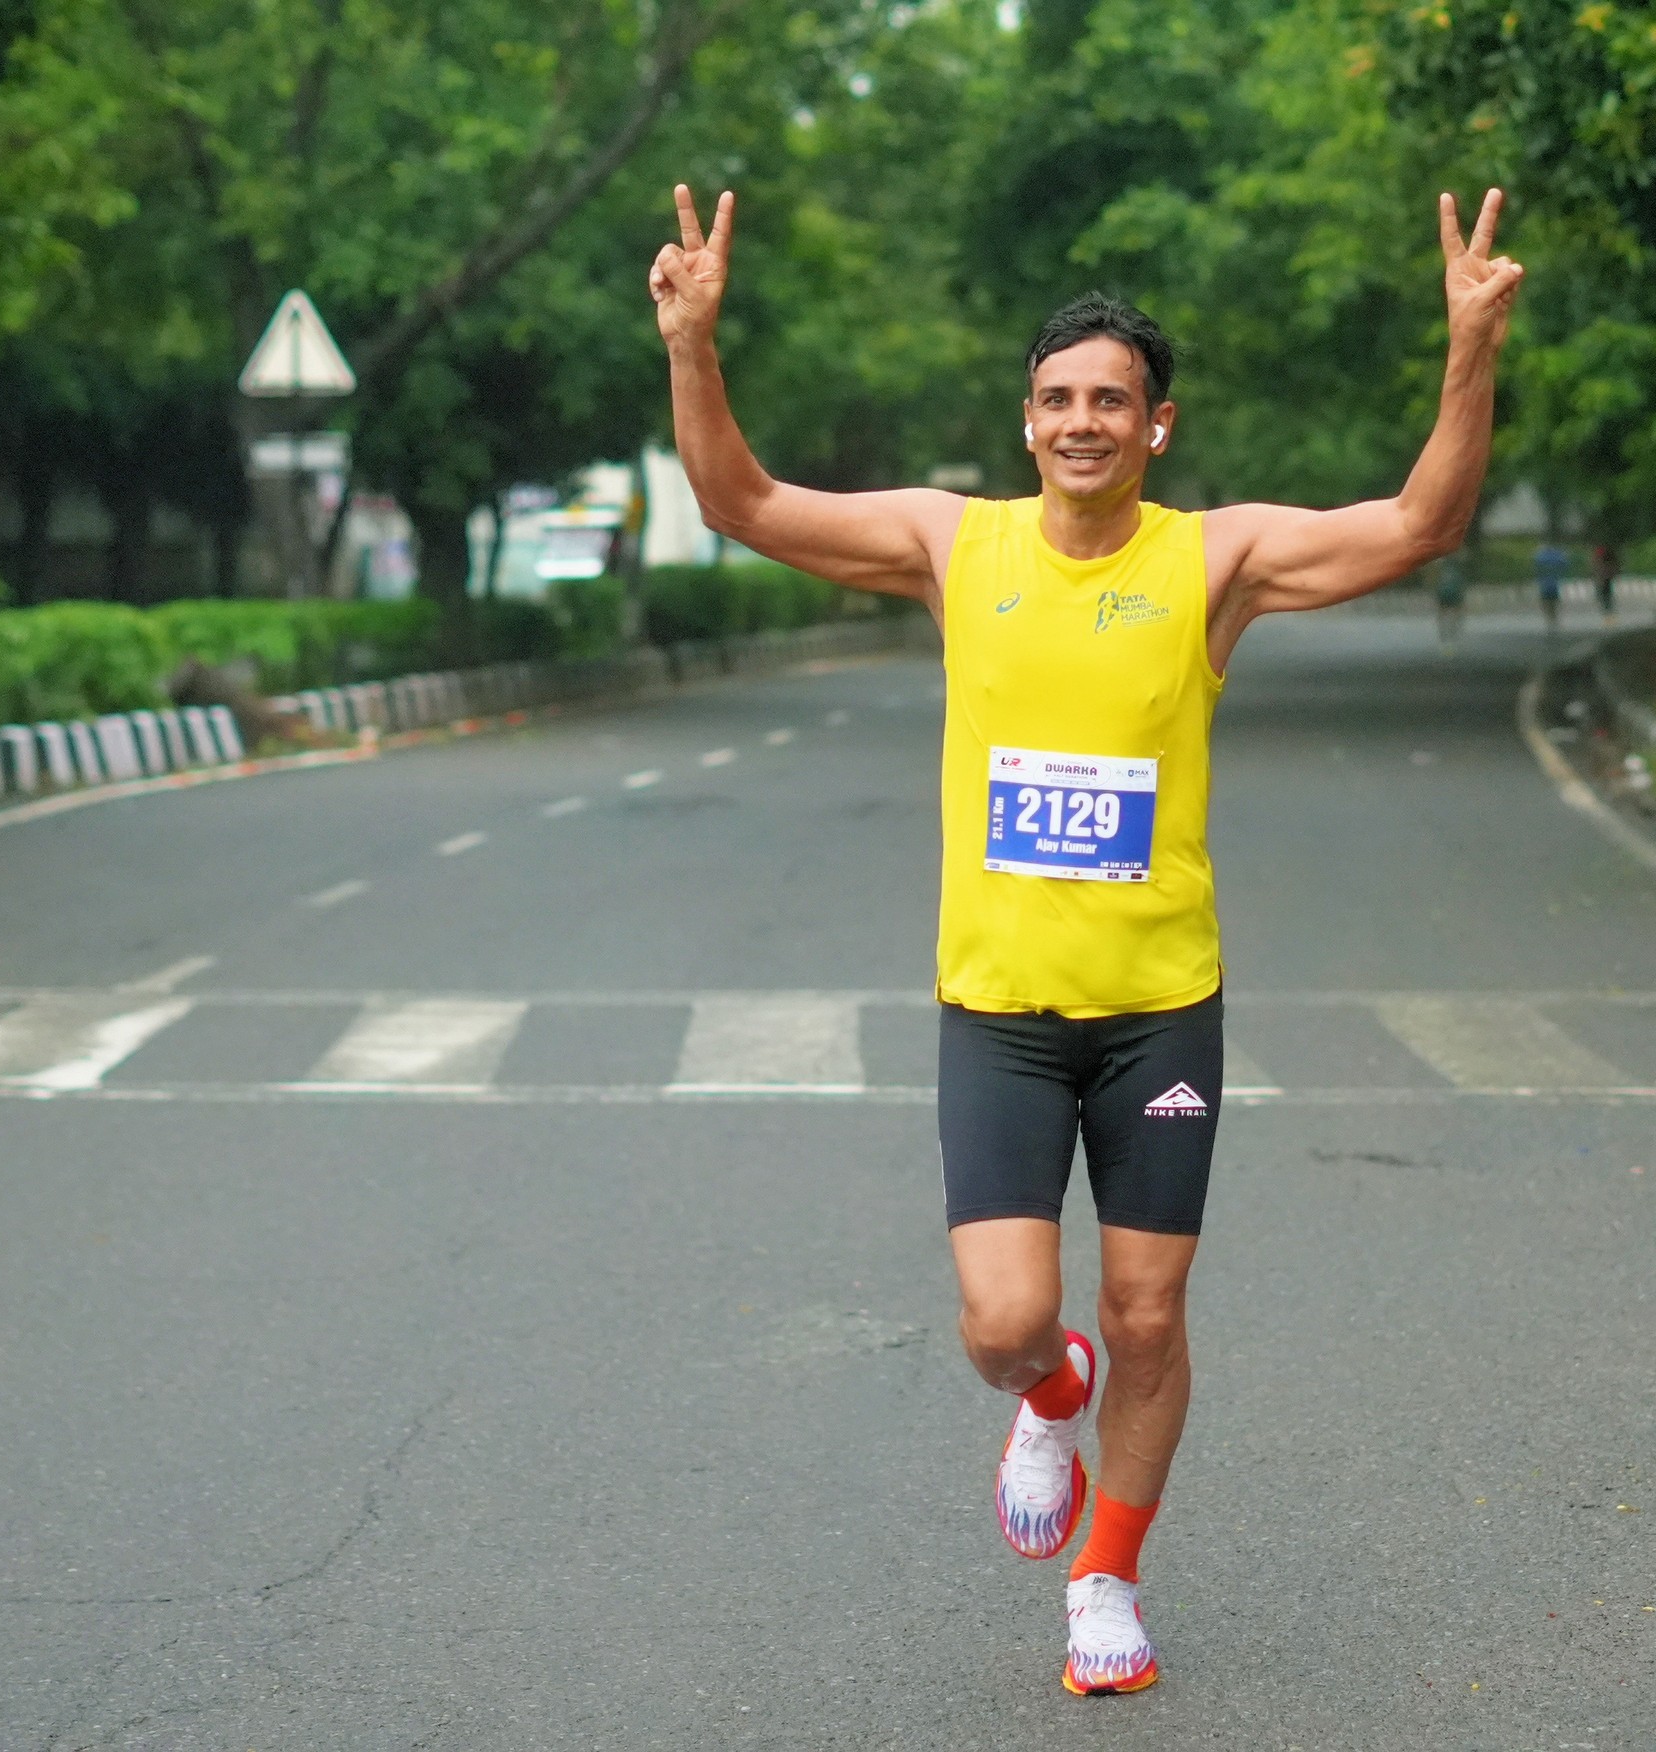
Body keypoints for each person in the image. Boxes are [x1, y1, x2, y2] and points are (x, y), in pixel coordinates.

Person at [650, 180, 1523, 1696]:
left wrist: (1469, 348)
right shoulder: (953, 544)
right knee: (1010, 1322)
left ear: (1157, 427)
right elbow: (744, 504)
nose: (1082, 422)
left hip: (1158, 1011)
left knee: (1149, 1312)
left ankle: (1107, 1578)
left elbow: (1420, 524)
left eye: (1112, 400)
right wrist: (692, 345)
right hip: (998, 1012)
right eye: (1058, 399)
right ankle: (1049, 1398)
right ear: (1027, 421)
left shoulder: (1213, 562)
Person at [1432, 549, 1469, 648]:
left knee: (1444, 611)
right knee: (1456, 610)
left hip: (1446, 587)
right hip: (1451, 587)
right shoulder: (1456, 558)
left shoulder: (1444, 559)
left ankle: (1445, 630)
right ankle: (1451, 629)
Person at [1533, 539, 1568, 635]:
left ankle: (1550, 619)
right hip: (1554, 582)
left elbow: (1536, 567)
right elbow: (1564, 564)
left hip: (1544, 583)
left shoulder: (1540, 556)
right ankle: (1554, 618)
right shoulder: (1557, 555)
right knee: (1554, 601)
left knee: (1546, 602)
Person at [1590, 541, 1619, 621]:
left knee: (1604, 593)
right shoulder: (1604, 552)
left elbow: (1596, 563)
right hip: (1605, 576)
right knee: (1605, 593)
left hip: (1604, 576)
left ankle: (1607, 611)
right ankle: (1608, 611)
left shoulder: (1601, 552)